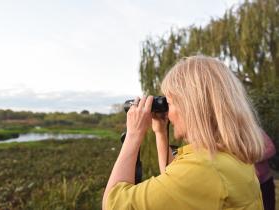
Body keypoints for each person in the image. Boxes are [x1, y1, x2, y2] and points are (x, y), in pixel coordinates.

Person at [102, 55, 265, 210]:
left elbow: (113, 204)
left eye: (170, 103)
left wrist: (133, 135)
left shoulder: (206, 167)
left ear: (192, 107)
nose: (168, 112)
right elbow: (173, 177)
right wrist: (160, 133)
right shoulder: (228, 157)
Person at [256, 131, 276, 210]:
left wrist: (256, 158)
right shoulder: (232, 134)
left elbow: (272, 149)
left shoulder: (257, 131)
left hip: (265, 182)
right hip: (247, 184)